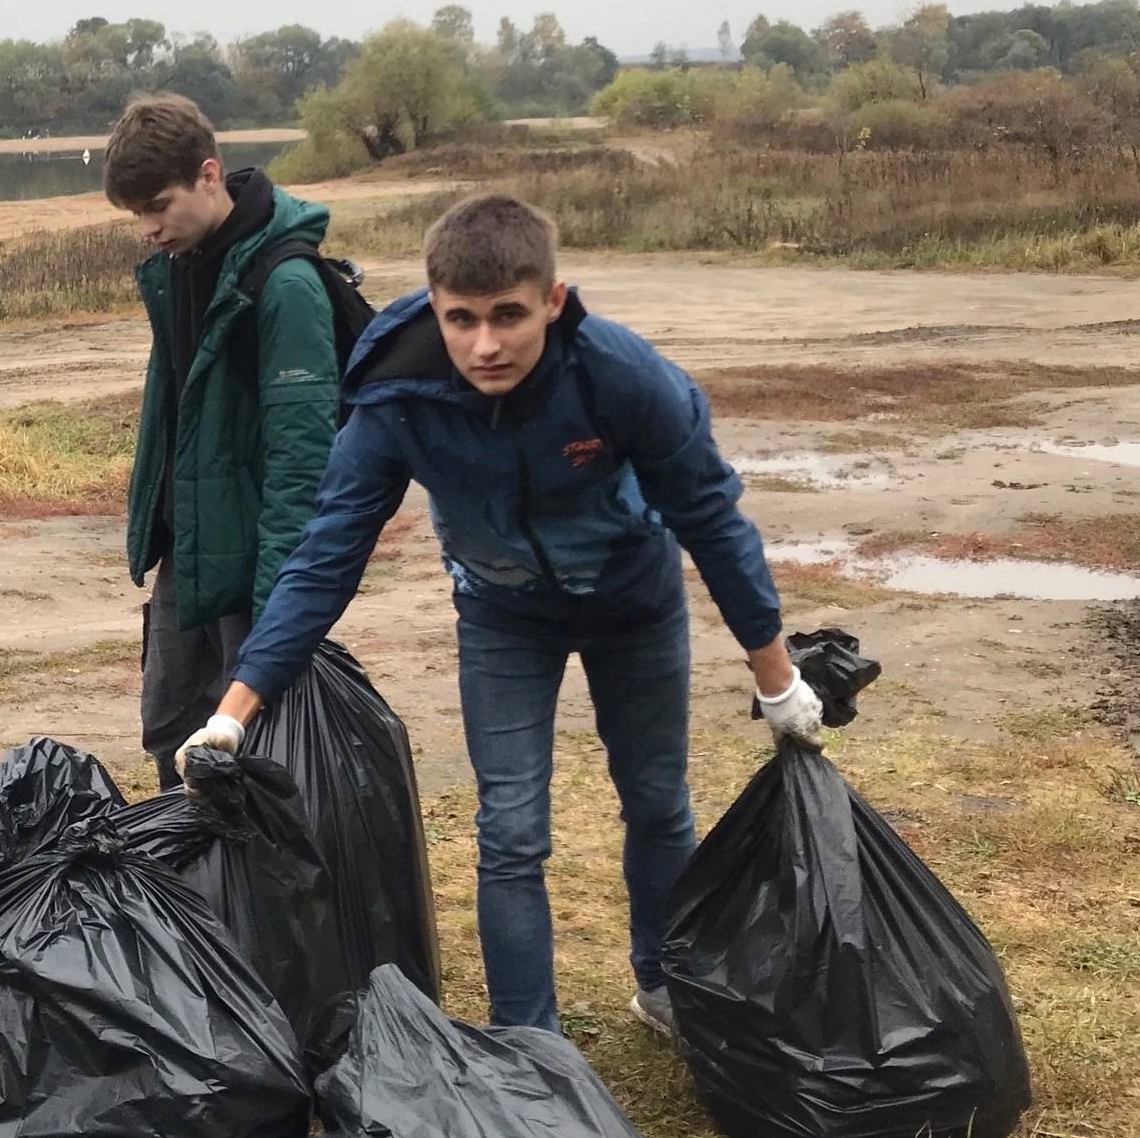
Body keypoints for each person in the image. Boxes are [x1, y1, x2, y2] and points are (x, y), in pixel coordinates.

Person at [181, 192, 825, 1038]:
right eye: (462, 319)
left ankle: (666, 986)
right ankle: (529, 1041)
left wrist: (777, 679)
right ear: (436, 306)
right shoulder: (397, 391)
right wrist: (235, 710)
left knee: (658, 802)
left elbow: (710, 519)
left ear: (552, 303)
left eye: (510, 316)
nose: (486, 344)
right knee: (511, 831)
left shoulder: (619, 375)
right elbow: (328, 550)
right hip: (502, 615)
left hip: (633, 600)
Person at [107, 93, 344, 788]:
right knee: (169, 729)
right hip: (189, 551)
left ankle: (259, 894)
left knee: (252, 748)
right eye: (135, 216)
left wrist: (280, 612)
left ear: (209, 174)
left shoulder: (286, 284)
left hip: (255, 568)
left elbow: (301, 466)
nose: (148, 229)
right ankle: (183, 891)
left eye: (158, 206)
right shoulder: (180, 267)